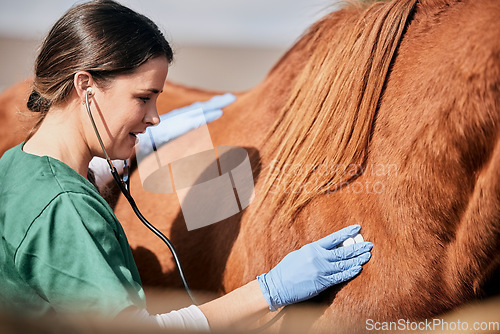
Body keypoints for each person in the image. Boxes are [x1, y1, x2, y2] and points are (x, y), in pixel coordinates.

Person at [0, 0, 373, 331]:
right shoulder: (63, 207)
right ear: (86, 87)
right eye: (143, 98)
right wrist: (271, 289)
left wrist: (130, 157)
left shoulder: (17, 163)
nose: (155, 118)